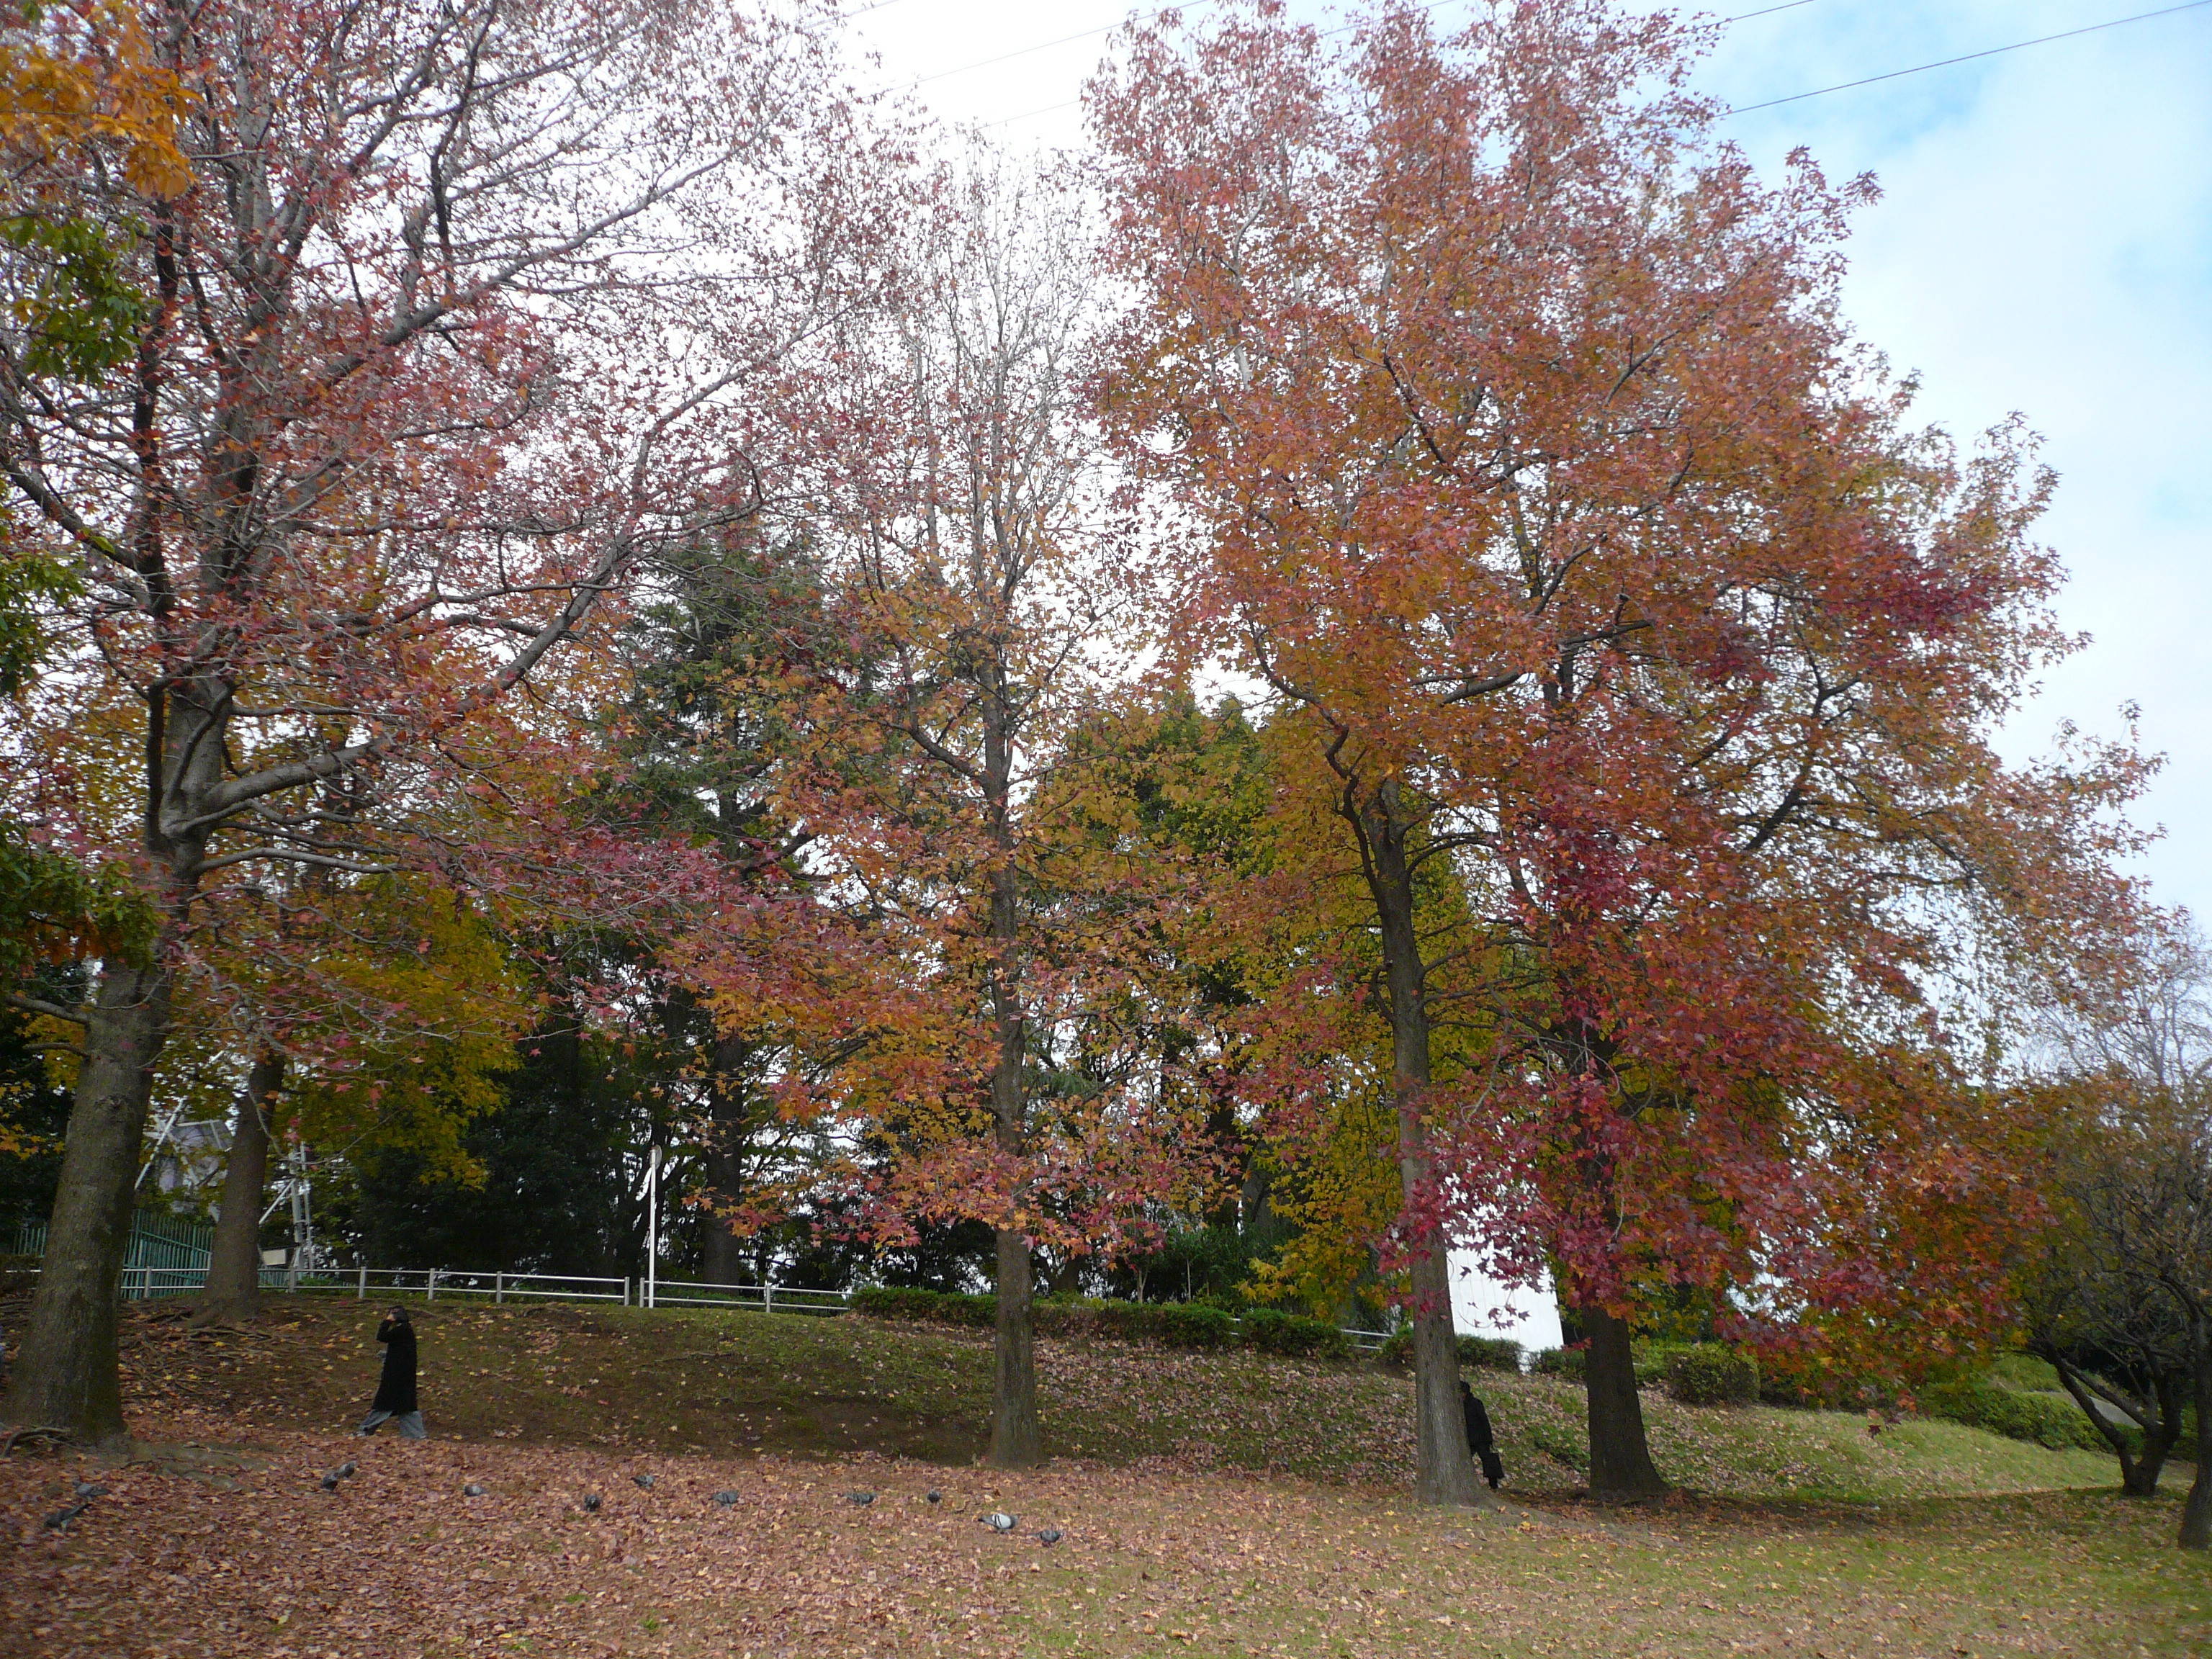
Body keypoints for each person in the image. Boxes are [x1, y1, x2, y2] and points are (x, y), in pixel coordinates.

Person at [358, 1305, 427, 1439]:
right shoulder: (406, 1330)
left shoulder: (402, 1330)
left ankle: (365, 1430)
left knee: (385, 1407)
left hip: (396, 1378)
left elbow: (382, 1336)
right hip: (404, 1378)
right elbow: (400, 1351)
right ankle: (416, 1436)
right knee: (406, 1408)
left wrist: (387, 1321)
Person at [1460, 1377, 1504, 1490]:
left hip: (1480, 1438)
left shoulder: (1476, 1403)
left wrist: (1489, 1438)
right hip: (1468, 1439)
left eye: (1462, 1392)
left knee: (1488, 1460)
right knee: (1463, 1460)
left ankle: (1493, 1485)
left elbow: (1484, 1421)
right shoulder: (1459, 1405)